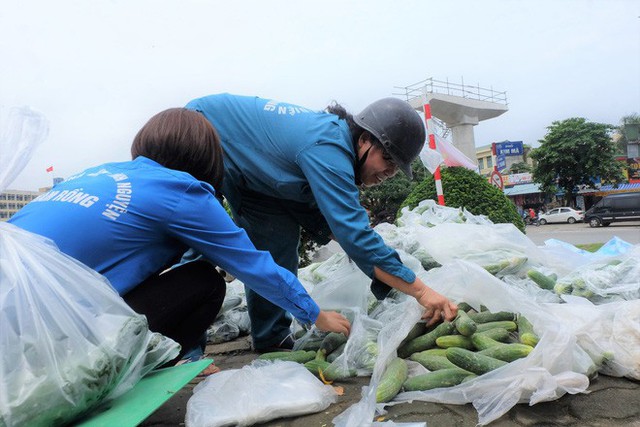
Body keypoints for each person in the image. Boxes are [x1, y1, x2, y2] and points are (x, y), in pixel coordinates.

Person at [8, 108, 351, 370]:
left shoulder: (94, 173)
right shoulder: (181, 190)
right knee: (205, 282)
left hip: (14, 319)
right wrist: (315, 313)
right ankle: (137, 367)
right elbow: (253, 265)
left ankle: (176, 358)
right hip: (52, 332)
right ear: (205, 155)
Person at [185, 93, 458, 352]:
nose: (389, 172)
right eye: (387, 158)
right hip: (200, 133)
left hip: (259, 179)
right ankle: (183, 351)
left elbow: (334, 223)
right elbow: (354, 235)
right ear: (364, 140)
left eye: (397, 165)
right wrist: (421, 291)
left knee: (277, 247)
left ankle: (271, 338)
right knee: (196, 245)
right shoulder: (328, 148)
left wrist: (375, 252)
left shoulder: (334, 148)